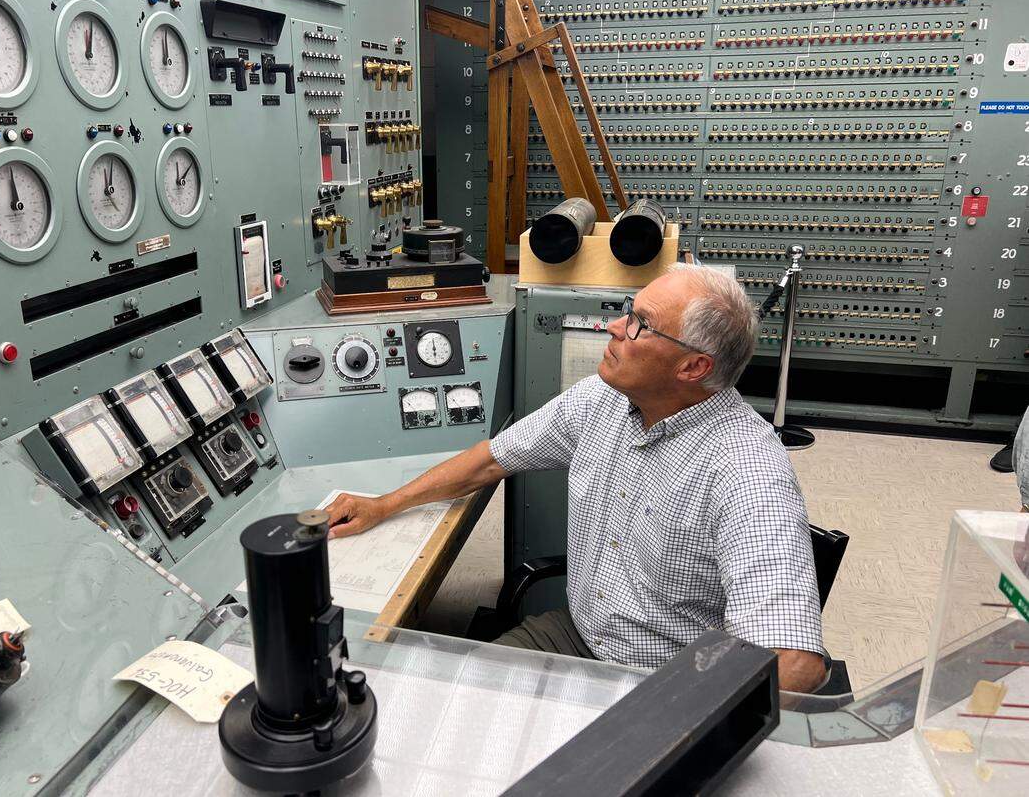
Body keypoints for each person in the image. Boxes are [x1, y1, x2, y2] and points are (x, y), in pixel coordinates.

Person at [326, 264, 826, 692]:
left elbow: (793, 663)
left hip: (668, 680)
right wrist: (385, 504)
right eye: (629, 309)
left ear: (694, 366)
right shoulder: (600, 400)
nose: (612, 327)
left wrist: (671, 725)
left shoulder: (749, 472)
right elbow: (491, 459)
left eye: (639, 324)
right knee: (449, 704)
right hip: (577, 637)